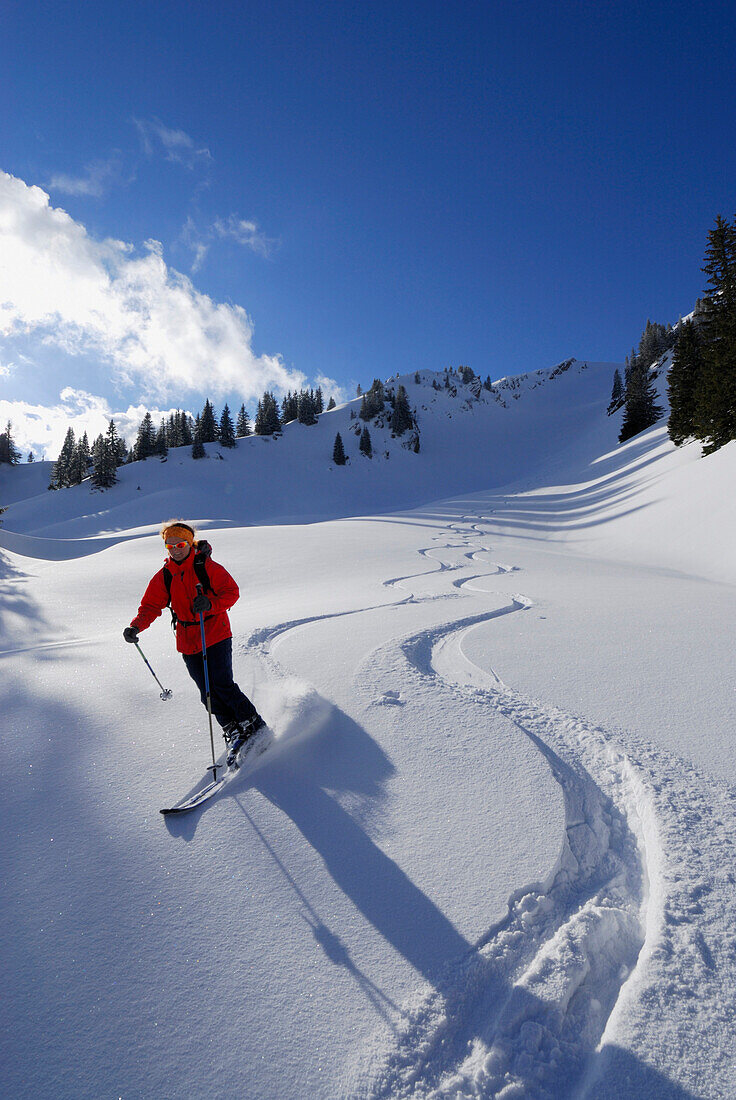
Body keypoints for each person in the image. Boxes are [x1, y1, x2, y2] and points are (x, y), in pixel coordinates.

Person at [124, 520, 264, 758]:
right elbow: (150, 605)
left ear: (189, 543)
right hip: (187, 639)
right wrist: (136, 626)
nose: (176, 549)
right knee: (206, 693)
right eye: (170, 546)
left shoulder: (206, 567)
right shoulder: (165, 575)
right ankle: (232, 729)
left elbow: (231, 592)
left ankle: (253, 725)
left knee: (222, 684)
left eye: (180, 544)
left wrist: (210, 604)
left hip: (214, 633)